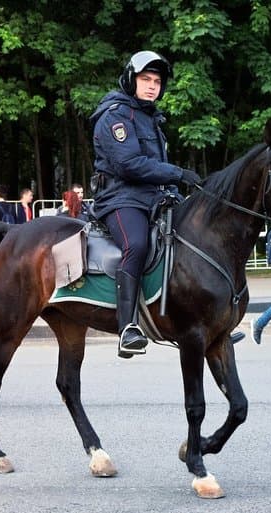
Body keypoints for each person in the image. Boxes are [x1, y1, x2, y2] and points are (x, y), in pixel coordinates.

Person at [90, 50, 204, 358]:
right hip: (121, 198)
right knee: (137, 245)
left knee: (195, 238)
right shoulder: (116, 115)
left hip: (154, 197)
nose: (152, 86)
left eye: (156, 81)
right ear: (131, 80)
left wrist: (175, 186)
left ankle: (198, 319)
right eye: (145, 79)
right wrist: (178, 173)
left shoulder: (150, 118)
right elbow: (129, 164)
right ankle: (128, 327)